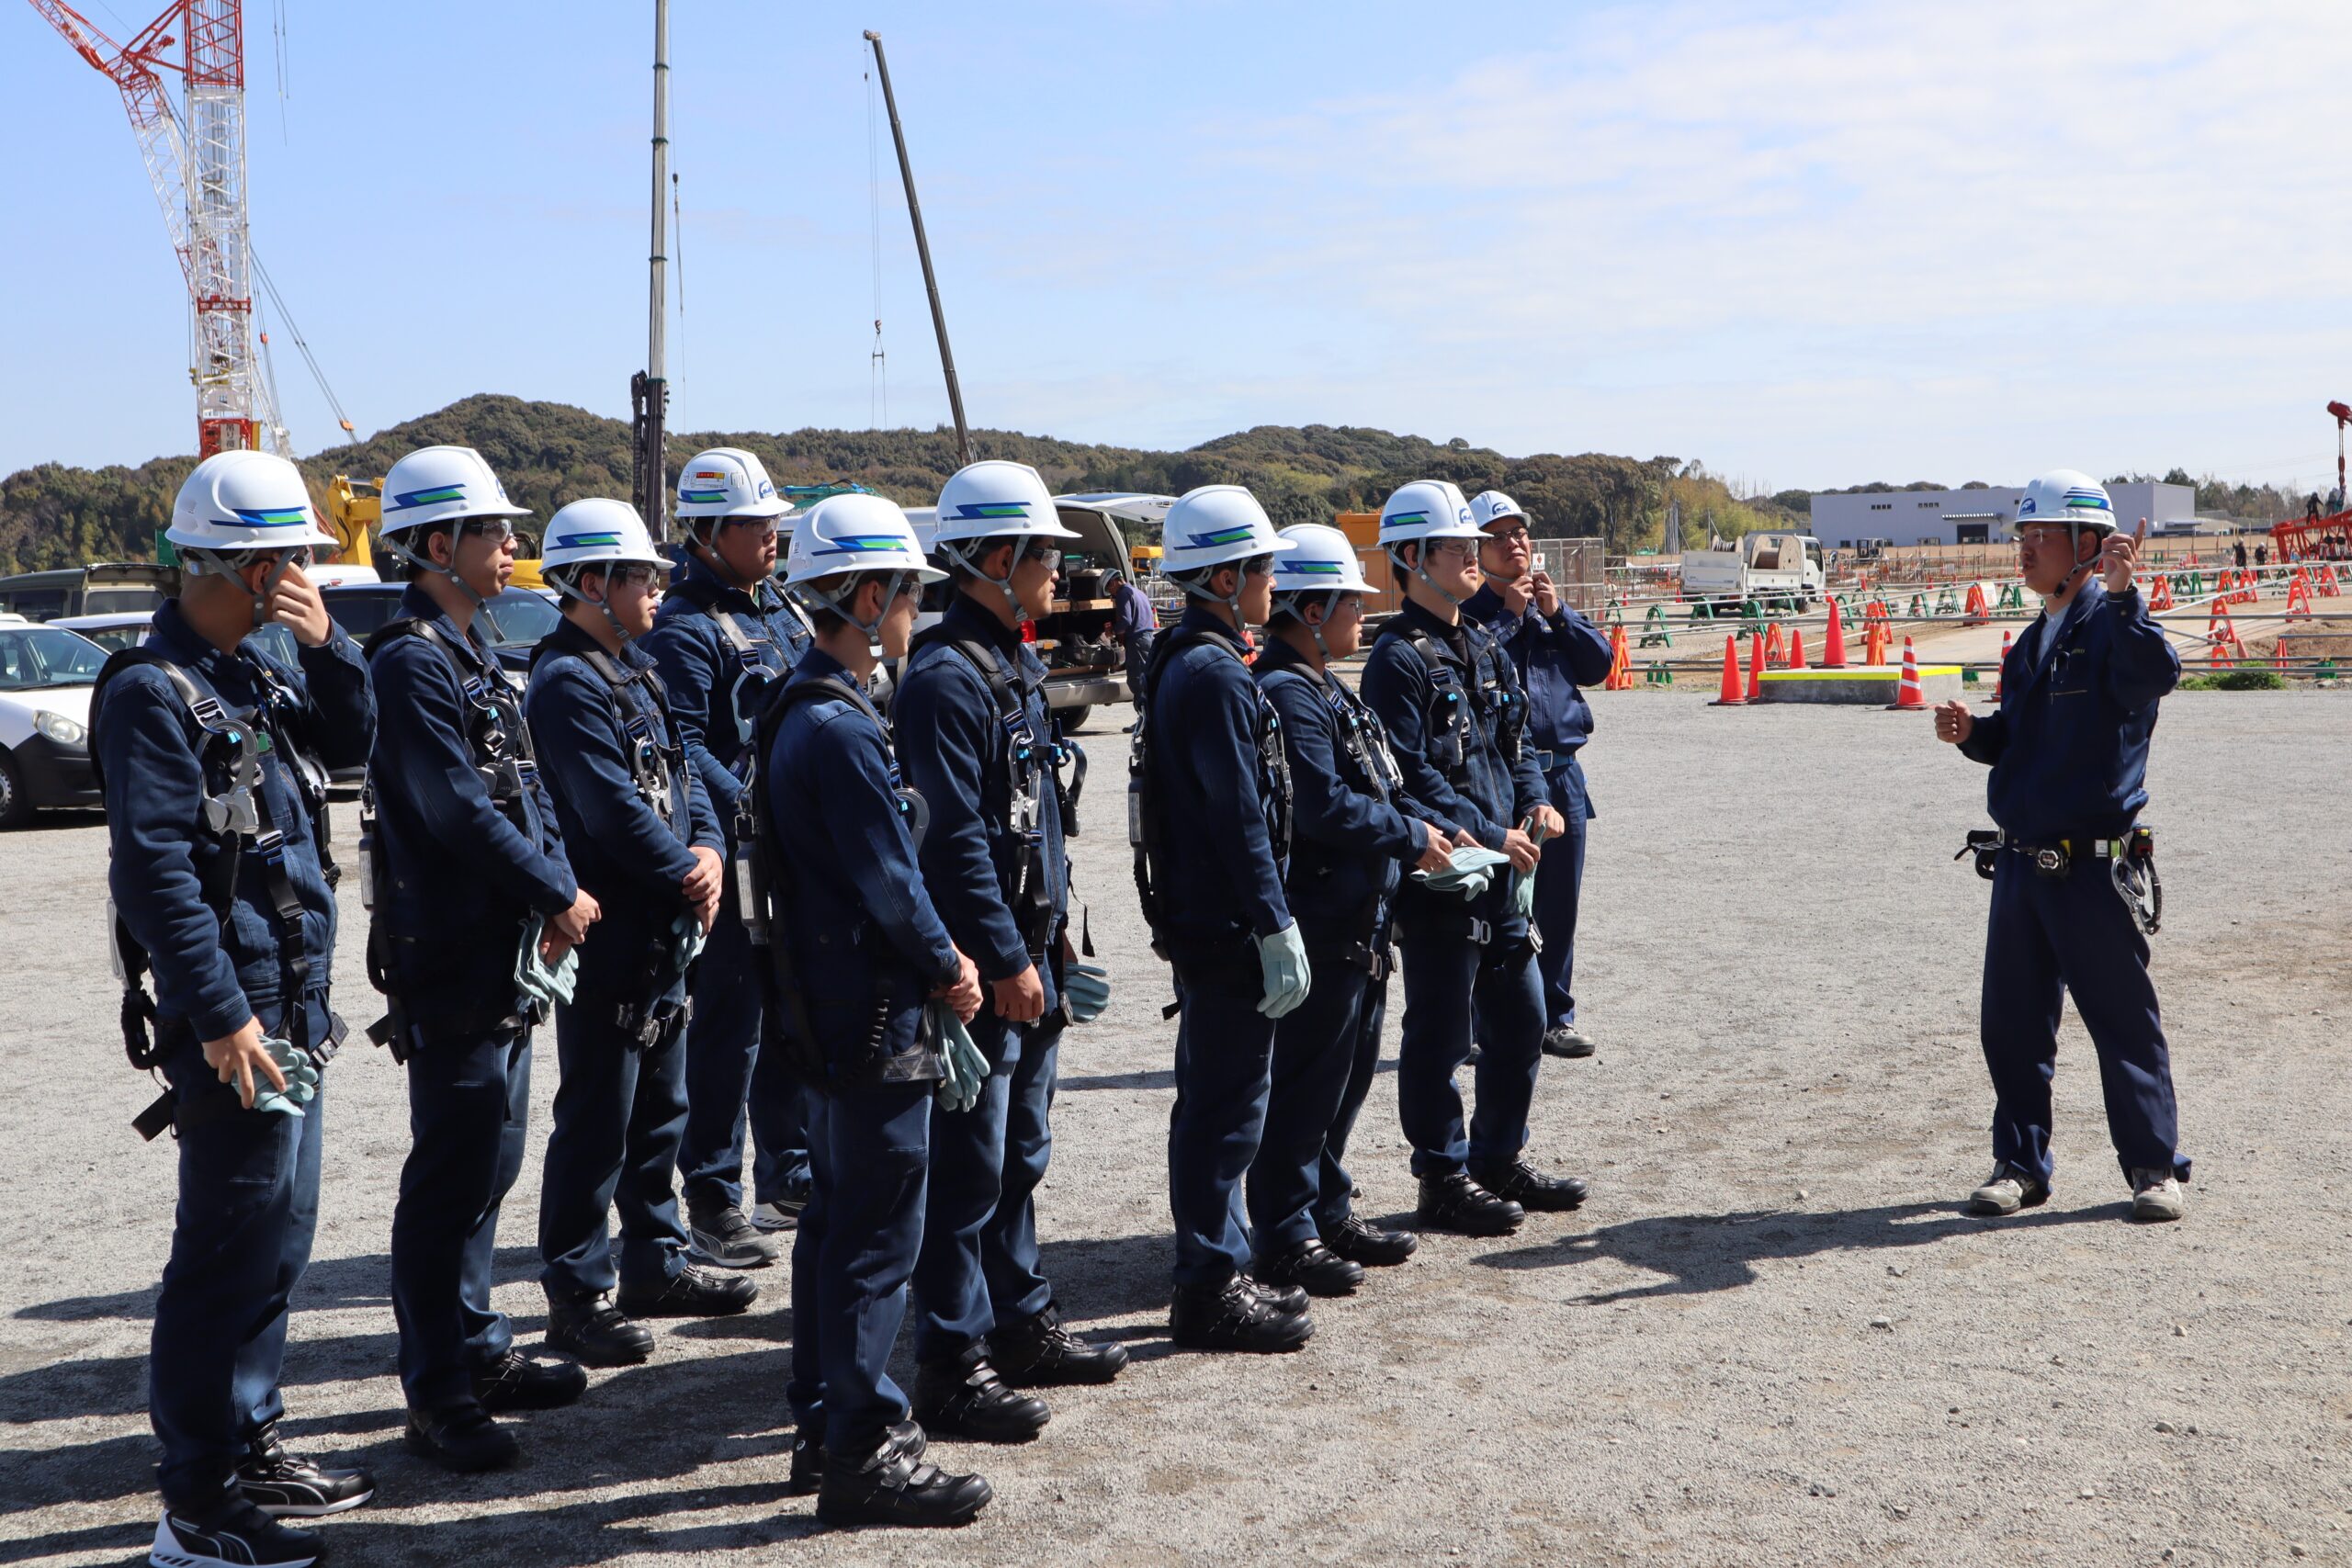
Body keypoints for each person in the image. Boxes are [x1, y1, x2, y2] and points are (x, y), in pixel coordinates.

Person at [93, 450, 377, 1568]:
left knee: (278, 1237)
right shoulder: (149, 689)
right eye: (290, 557)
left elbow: (354, 747)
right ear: (244, 568)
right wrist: (218, 1016)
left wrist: (330, 646)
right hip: (240, 1009)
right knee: (225, 1249)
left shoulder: (254, 669)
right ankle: (195, 1505)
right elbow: (155, 871)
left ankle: (248, 1441)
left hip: (289, 997)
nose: (305, 570)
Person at [758, 492, 992, 1527]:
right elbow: (891, 882)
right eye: (904, 597)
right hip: (872, 1017)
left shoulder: (796, 707)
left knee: (836, 1228)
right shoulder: (841, 729)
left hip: (823, 1009)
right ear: (864, 597)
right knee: (875, 1241)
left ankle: (822, 1419)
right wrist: (950, 966)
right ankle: (865, 1450)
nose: (912, 617)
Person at [367, 446, 595, 1472]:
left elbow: (526, 792)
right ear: (432, 544)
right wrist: (553, 889)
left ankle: (480, 1349)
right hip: (452, 957)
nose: (512, 542)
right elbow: (455, 808)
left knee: (491, 1165)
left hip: (501, 950)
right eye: (491, 529)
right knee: (452, 1176)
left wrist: (552, 884)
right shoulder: (412, 658)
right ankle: (438, 1393)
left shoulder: (472, 650)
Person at [898, 460, 1127, 1442]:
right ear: (996, 558)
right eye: (1044, 556)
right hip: (991, 968)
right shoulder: (947, 679)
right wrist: (1001, 959)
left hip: (1030, 948)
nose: (1058, 575)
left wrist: (1054, 940)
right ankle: (951, 1360)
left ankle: (1019, 1320)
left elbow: (1033, 827)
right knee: (966, 1171)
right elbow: (953, 841)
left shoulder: (1010, 666)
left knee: (1018, 1155)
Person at [527, 499, 757, 1367]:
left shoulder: (634, 667)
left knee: (664, 1102)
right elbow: (608, 808)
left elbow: (682, 773)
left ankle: (655, 1261)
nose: (658, 587)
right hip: (613, 925)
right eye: (640, 576)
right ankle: (577, 1293)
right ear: (593, 583)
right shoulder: (565, 680)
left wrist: (703, 843)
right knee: (597, 1114)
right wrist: (686, 866)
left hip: (662, 921)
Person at [1934, 470, 2188, 1224]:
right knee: (2010, 1025)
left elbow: (2156, 673)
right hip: (2020, 861)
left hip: (2092, 865)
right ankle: (2020, 1165)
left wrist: (2125, 594)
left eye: (2037, 537)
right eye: (2020, 536)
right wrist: (1975, 733)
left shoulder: (2112, 622)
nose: (2023, 551)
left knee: (2120, 1018)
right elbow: (2020, 740)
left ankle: (2152, 1167)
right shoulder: (2033, 639)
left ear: (2084, 544)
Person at [1360, 479, 1580, 1237]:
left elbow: (1513, 743)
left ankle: (1497, 1157)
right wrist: (1489, 831)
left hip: (1503, 867)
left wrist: (1535, 802)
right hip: (1446, 877)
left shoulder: (1482, 643)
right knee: (1442, 1032)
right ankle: (1443, 1176)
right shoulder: (1396, 660)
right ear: (1413, 558)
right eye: (1456, 547)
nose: (1471, 556)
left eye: (1468, 546)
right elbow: (1410, 773)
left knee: (1523, 1017)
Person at [1130, 484, 1318, 1352]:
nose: (1273, 579)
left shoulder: (1194, 657)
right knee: (1225, 1107)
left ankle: (1220, 1265)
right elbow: (1239, 813)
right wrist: (1274, 920)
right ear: (1228, 571)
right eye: (1264, 564)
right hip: (1225, 923)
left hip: (1211, 917)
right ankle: (1207, 1283)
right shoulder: (1208, 671)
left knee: (1222, 1100)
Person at [1246, 524, 1449, 1293]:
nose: (1363, 614)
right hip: (1325, 917)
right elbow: (1323, 804)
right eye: (1349, 602)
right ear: (1311, 605)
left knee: (1345, 1076)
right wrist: (1409, 833)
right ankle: (1286, 1231)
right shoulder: (1288, 691)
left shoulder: (1325, 684)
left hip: (1359, 920)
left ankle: (1325, 1206)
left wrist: (1439, 825)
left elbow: (1381, 780)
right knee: (1306, 1084)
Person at [642, 448, 813, 1269]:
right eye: (756, 521)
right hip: (738, 846)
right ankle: (712, 1196)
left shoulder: (774, 606)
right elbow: (680, 742)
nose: (773, 531)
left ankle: (791, 1170)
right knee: (730, 1029)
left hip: (787, 843)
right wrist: (750, 803)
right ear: (709, 532)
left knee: (789, 1012)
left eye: (774, 517)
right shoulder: (684, 627)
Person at [1464, 491, 1616, 1058]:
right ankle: (1482, 1023)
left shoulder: (1552, 610)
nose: (1515, 544)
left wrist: (1559, 615)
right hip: (1500, 781)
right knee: (1493, 902)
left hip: (1564, 776)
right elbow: (1475, 670)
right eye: (1500, 536)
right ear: (1477, 551)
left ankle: (1554, 1016)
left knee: (1558, 904)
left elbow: (1599, 664)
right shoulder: (1471, 615)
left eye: (1521, 533)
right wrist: (1507, 618)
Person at [1108, 566, 1159, 676]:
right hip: (1148, 639)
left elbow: (1126, 621)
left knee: (1137, 681)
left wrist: (1112, 631)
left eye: (1109, 589)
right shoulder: (1138, 592)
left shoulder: (1122, 594)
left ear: (1113, 583)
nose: (1111, 594)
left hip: (1137, 641)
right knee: (1145, 678)